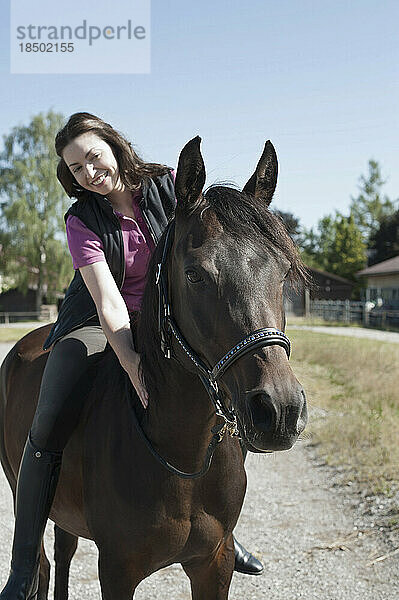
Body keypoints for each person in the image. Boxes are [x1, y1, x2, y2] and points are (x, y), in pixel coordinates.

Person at [0, 113, 262, 599]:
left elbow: (208, 248)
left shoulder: (167, 185)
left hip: (170, 317)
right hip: (97, 324)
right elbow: (107, 301)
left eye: (92, 156)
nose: (88, 172)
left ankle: (221, 524)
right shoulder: (82, 219)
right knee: (48, 419)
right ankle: (21, 567)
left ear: (113, 145)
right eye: (75, 168)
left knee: (224, 389)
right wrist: (131, 359)